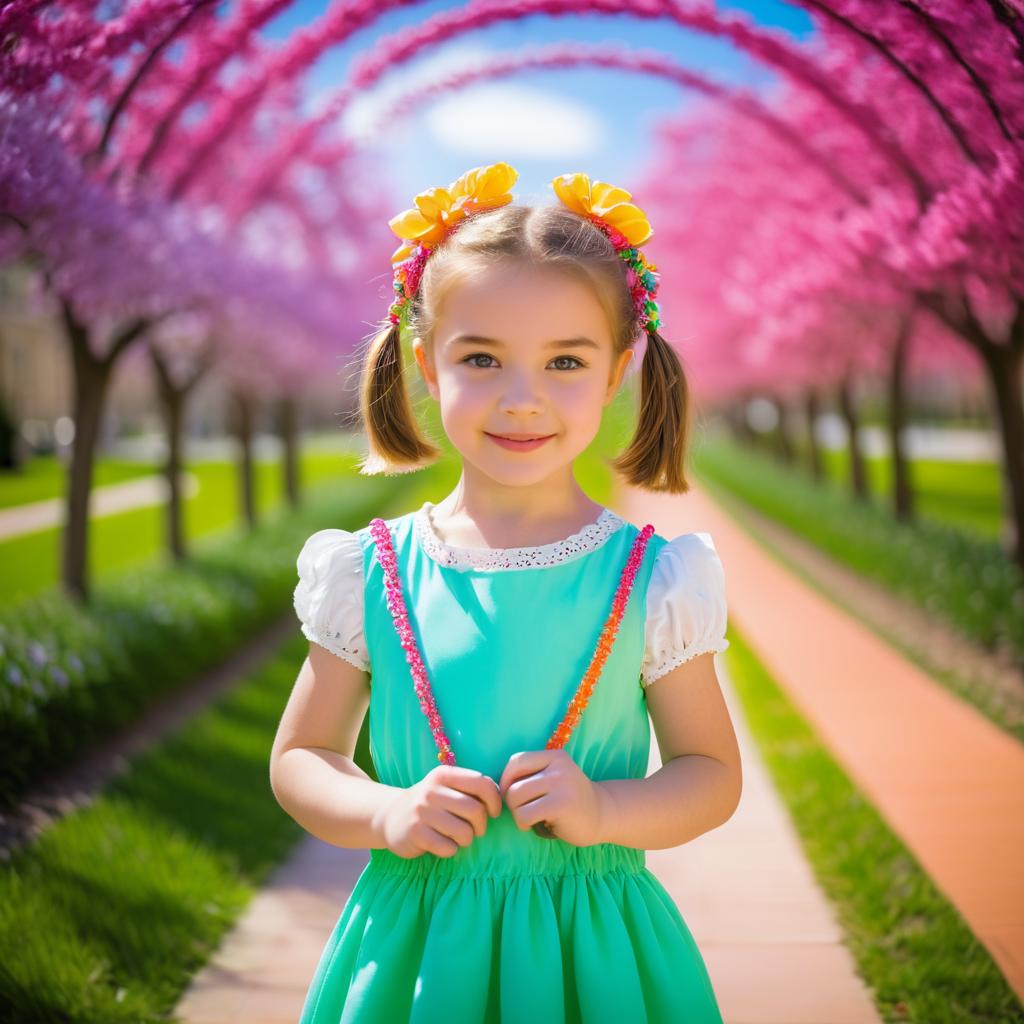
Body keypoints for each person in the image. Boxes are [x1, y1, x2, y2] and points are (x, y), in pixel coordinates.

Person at [270, 161, 742, 1023]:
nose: (521, 399)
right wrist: (383, 811)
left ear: (615, 372)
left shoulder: (651, 578)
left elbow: (710, 775)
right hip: (414, 956)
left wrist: (604, 808)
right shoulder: (368, 571)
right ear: (425, 363)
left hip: (591, 955)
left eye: (565, 360)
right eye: (481, 358)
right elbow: (301, 758)